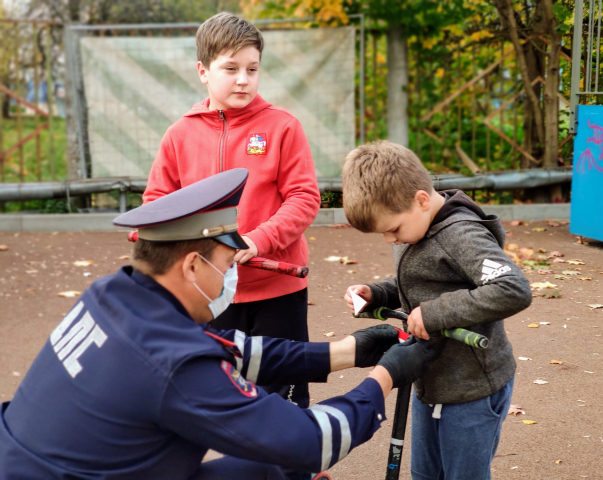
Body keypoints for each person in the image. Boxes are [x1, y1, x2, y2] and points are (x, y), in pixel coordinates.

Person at [0, 169, 439, 480]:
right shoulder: (175, 366)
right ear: (193, 266)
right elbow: (313, 441)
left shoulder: (112, 295)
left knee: (267, 471)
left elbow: (228, 348)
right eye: (228, 263)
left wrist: (352, 350)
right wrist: (387, 375)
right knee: (289, 461)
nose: (233, 274)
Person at [143, 12, 320, 409]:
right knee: (220, 399)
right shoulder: (179, 135)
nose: (244, 79)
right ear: (203, 71)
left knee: (283, 399)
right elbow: (156, 202)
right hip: (208, 292)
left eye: (252, 69)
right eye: (231, 68)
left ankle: (296, 472)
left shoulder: (282, 127)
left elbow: (304, 198)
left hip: (278, 290)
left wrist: (258, 241)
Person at [341, 141, 533, 480]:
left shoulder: (461, 235)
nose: (391, 240)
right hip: (430, 381)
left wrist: (434, 314)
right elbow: (423, 281)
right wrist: (378, 294)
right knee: (426, 474)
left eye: (393, 229)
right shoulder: (416, 227)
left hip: (471, 390)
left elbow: (512, 288)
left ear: (421, 200)